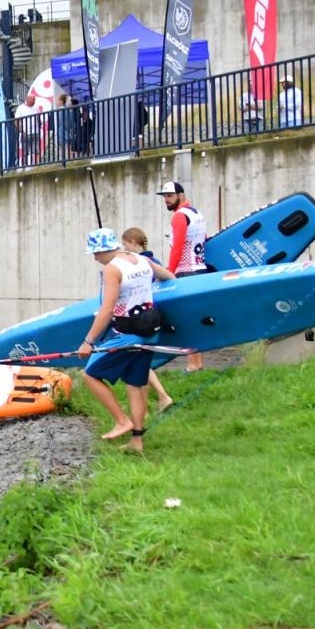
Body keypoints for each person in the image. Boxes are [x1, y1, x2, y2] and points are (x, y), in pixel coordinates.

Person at [75, 228, 176, 454]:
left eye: (95, 253)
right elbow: (169, 276)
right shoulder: (142, 260)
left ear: (104, 250)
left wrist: (88, 342)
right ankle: (136, 442)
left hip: (127, 334)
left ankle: (122, 421)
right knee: (135, 385)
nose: (94, 258)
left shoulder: (112, 269)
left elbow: (107, 309)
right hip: (150, 330)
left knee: (89, 375)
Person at [119, 228, 175, 415]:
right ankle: (147, 405)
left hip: (139, 318)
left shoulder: (141, 263)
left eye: (125, 245)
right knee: (141, 359)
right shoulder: (154, 261)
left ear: (134, 242)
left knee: (137, 358)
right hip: (151, 317)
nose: (124, 249)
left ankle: (161, 396)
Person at [158, 180, 208, 373]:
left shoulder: (179, 217)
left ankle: (192, 364)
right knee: (196, 317)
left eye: (169, 196)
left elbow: (177, 247)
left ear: (181, 195)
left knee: (186, 319)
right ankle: (198, 362)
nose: (166, 201)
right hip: (200, 268)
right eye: (164, 197)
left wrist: (169, 272)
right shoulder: (196, 213)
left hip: (185, 271)